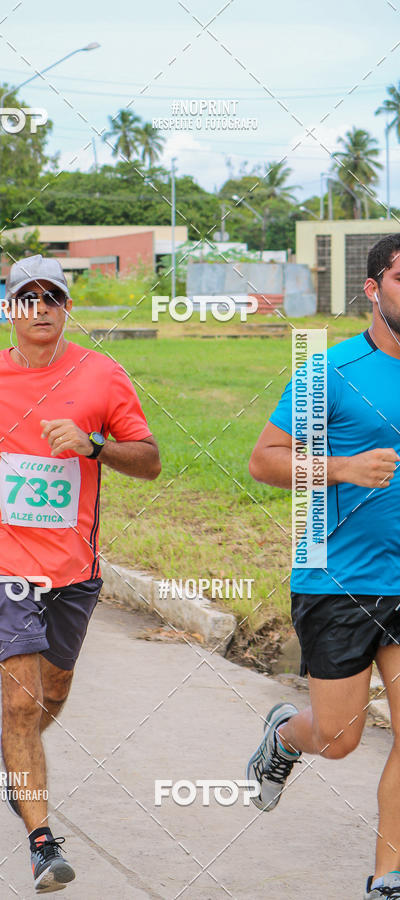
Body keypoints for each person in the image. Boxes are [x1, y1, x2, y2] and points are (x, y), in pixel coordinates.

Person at [0, 254, 161, 893]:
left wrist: (93, 446)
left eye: (52, 298)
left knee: (53, 693)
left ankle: (20, 754)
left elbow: (149, 460)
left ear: (67, 307)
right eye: (27, 298)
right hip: (4, 557)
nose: (39, 308)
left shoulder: (102, 375)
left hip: (73, 567)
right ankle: (42, 842)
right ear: (8, 309)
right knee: (20, 699)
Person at [246, 234, 400, 898]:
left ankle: (388, 876)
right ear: (373, 289)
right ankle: (286, 735)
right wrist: (341, 468)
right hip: (338, 579)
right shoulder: (330, 371)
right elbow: (265, 460)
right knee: (338, 737)